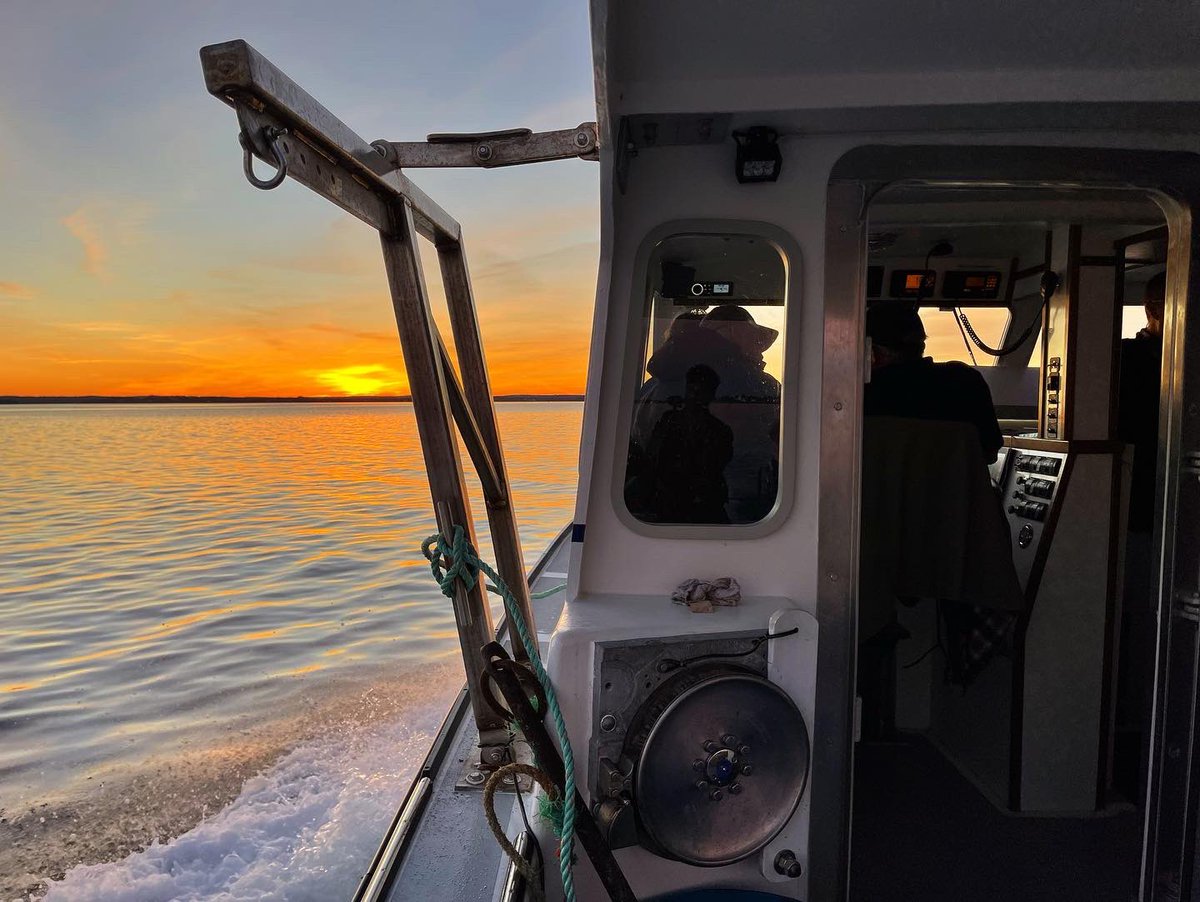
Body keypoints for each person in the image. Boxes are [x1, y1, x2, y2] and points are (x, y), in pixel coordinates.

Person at [864, 304, 1003, 463]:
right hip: (952, 480)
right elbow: (990, 454)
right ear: (922, 345)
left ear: (872, 351)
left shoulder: (860, 394)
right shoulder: (966, 382)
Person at [644, 364, 734, 523]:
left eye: (701, 391)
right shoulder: (668, 421)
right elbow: (652, 456)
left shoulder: (720, 431)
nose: (695, 396)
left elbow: (716, 466)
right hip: (669, 502)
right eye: (692, 390)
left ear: (711, 395)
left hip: (703, 504)